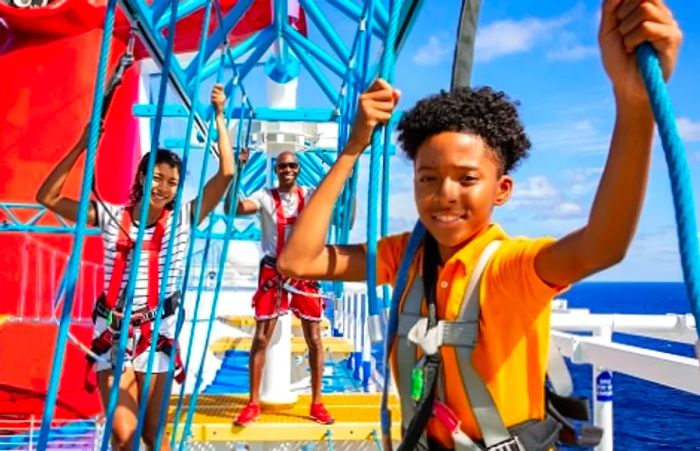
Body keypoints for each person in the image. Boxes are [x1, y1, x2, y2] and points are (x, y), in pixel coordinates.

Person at [277, 1, 682, 449]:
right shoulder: (404, 256)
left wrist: (635, 104)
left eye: (467, 179)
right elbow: (298, 260)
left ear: (502, 189)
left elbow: (602, 245)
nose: (445, 193)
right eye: (427, 178)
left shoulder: (512, 267)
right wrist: (354, 147)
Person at [36, 84, 236, 450]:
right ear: (143, 177)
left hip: (157, 334)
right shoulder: (111, 216)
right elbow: (46, 197)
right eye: (157, 177)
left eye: (172, 182)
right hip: (114, 334)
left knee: (152, 437)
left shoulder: (185, 220)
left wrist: (221, 117)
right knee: (125, 437)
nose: (163, 187)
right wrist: (82, 145)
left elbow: (226, 173)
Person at [224, 150, 335, 426]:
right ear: (276, 169)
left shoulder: (309, 195)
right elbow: (232, 209)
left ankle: (317, 403)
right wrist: (236, 173)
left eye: (292, 165)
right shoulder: (264, 197)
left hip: (304, 272)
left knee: (314, 339)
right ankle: (253, 403)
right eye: (282, 165)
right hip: (274, 272)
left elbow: (340, 206)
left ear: (298, 169)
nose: (287, 169)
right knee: (261, 338)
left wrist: (347, 174)